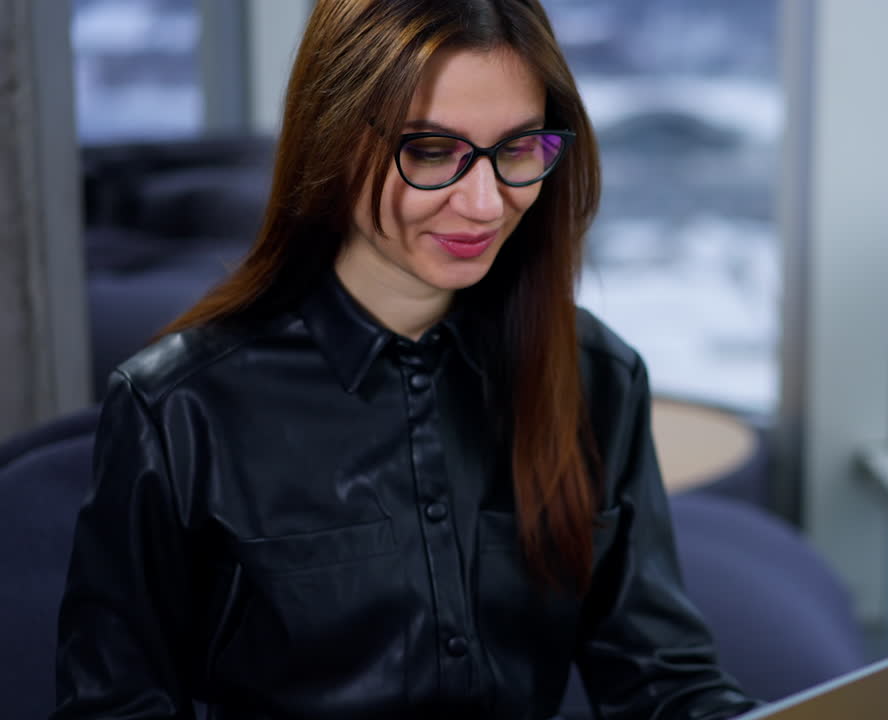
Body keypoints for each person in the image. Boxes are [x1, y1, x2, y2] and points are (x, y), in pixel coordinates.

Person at [51, 1, 762, 718]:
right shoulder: (179, 408)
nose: (486, 204)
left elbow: (661, 682)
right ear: (332, 137)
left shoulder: (595, 376)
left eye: (518, 150)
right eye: (430, 151)